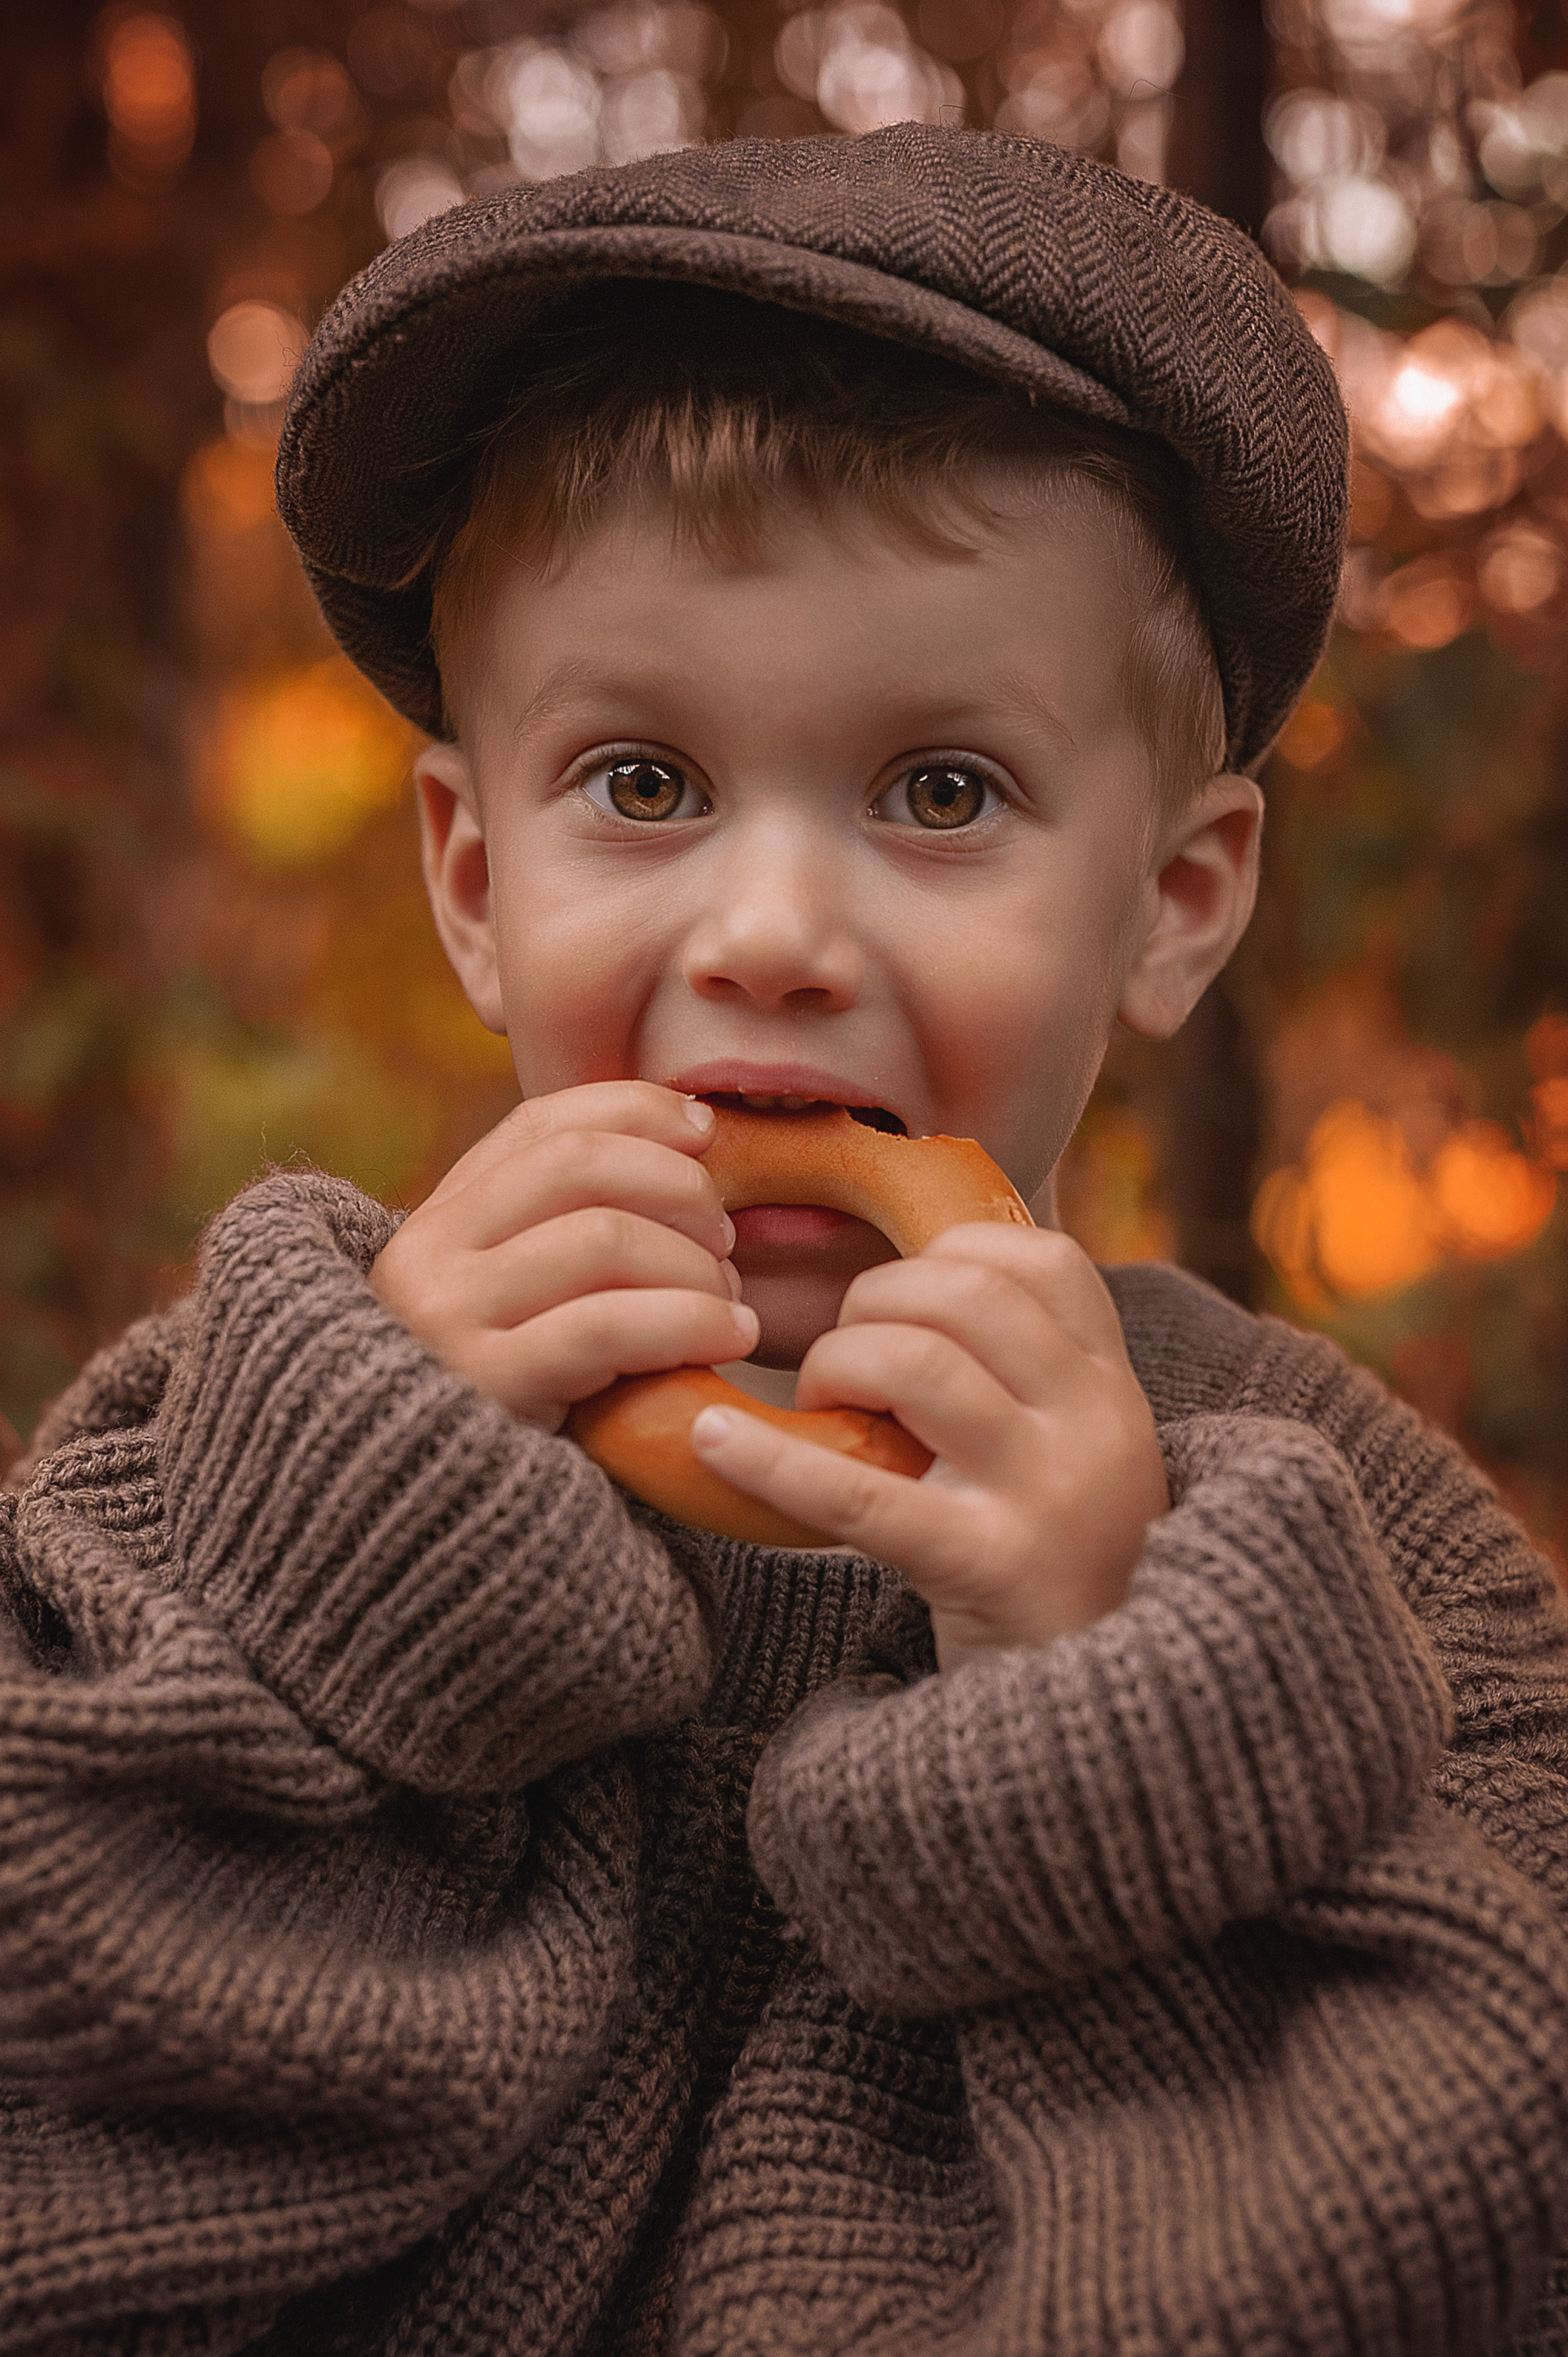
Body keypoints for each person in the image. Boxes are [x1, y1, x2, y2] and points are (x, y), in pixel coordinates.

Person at [4, 124, 1568, 2357]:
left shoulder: (1366, 1566)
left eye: (943, 791)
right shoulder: (225, 1462)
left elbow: (1463, 2254)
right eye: (643, 781)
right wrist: (330, 1598)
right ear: (472, 877)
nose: (770, 935)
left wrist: (1114, 1708)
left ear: (1175, 900)